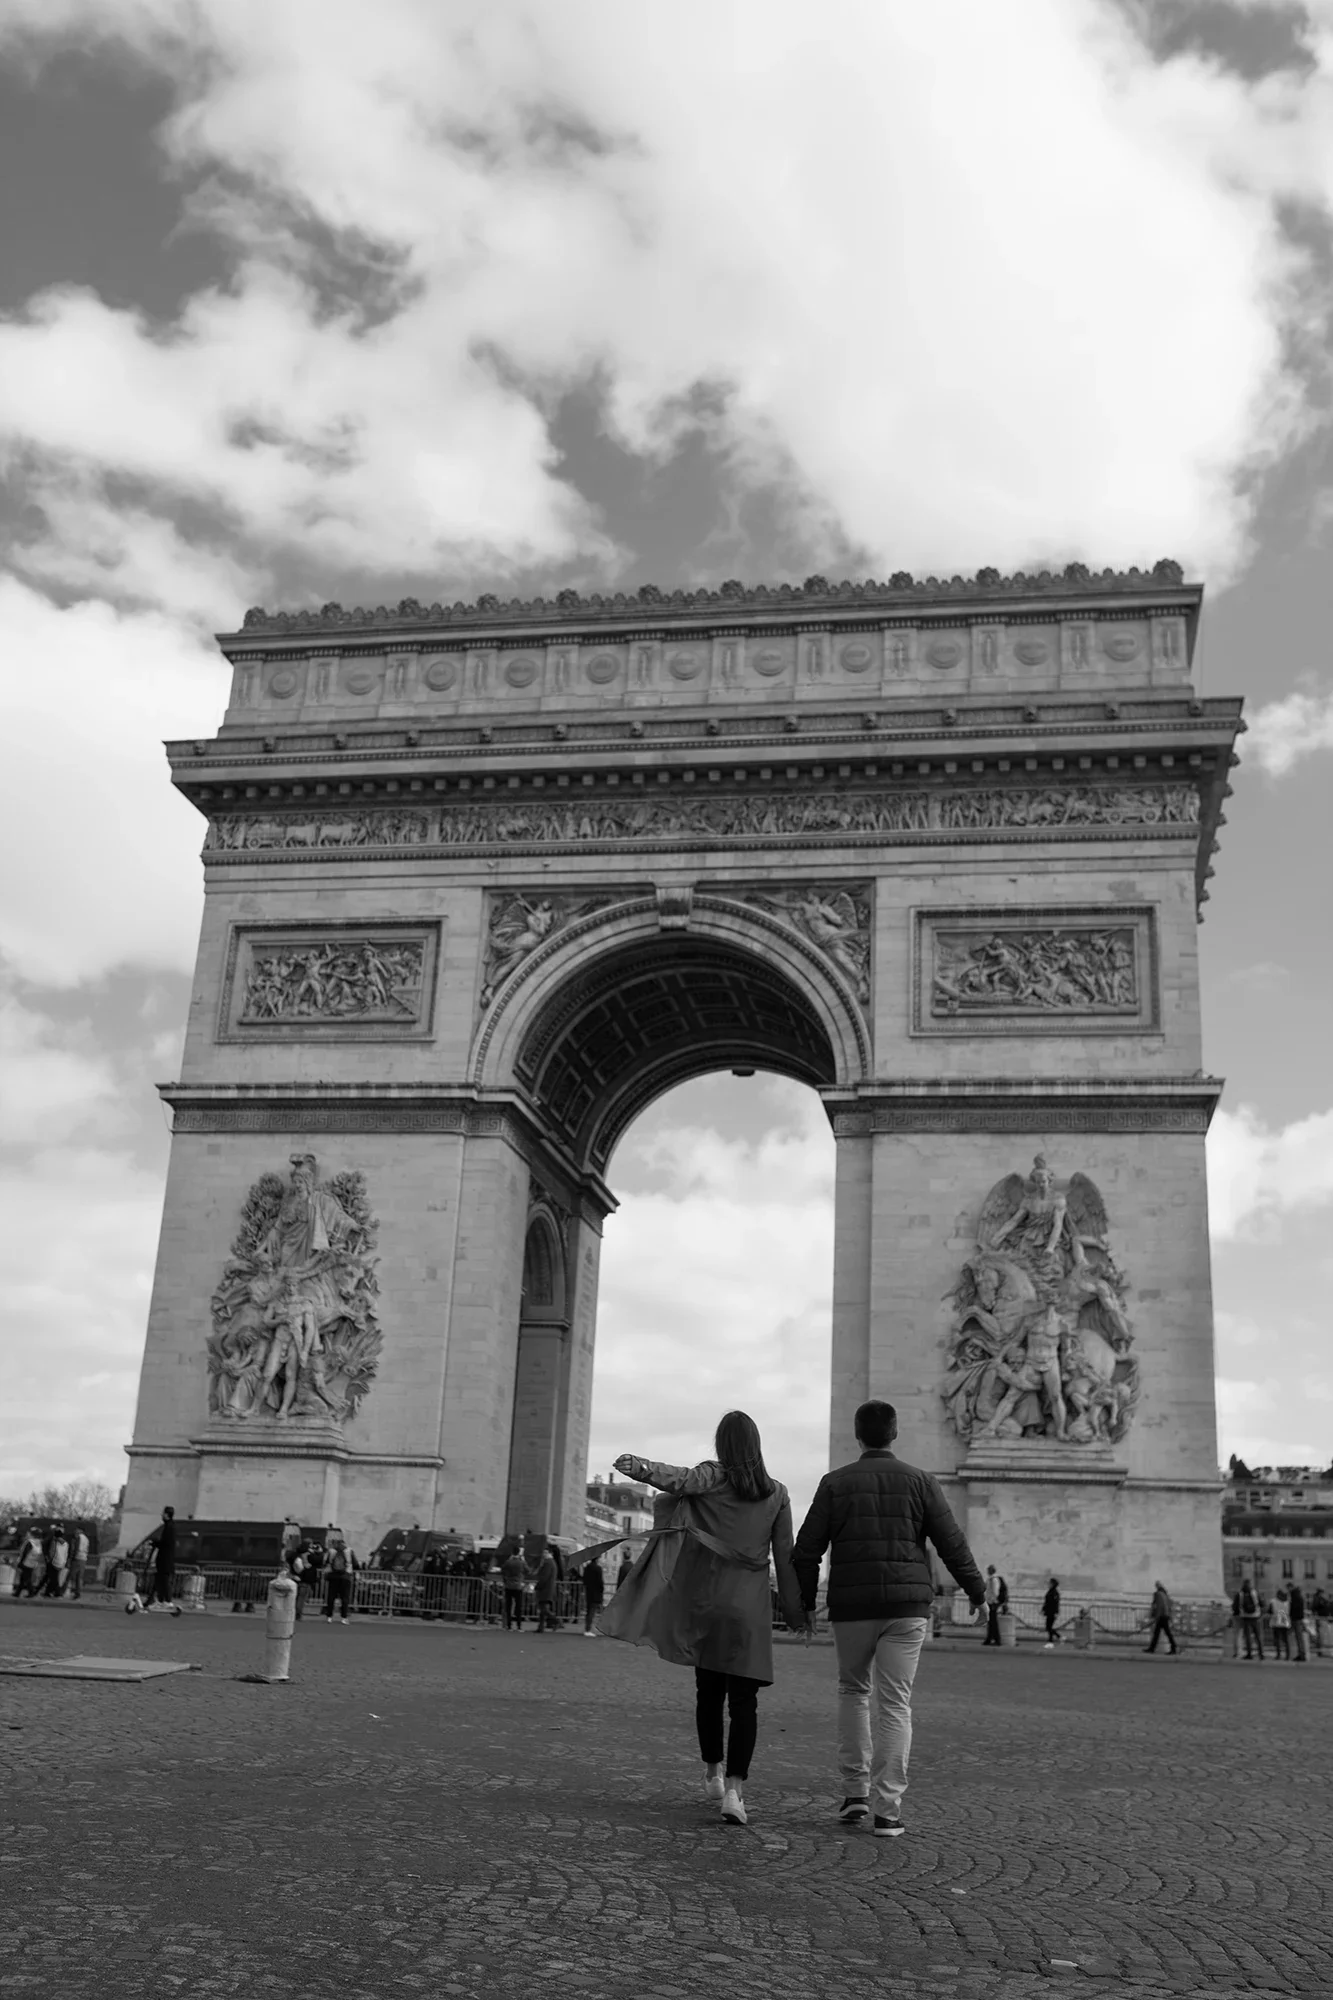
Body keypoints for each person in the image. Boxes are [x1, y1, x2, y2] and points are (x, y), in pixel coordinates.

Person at [793, 1398, 986, 1839]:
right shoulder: (921, 1482)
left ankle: (855, 1793)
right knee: (895, 1704)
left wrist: (803, 1604)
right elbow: (951, 1543)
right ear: (895, 1434)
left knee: (853, 1691)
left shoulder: (834, 1483)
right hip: (906, 1608)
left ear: (857, 1436)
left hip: (852, 1607)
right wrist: (978, 1592)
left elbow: (806, 1550)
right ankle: (889, 1810)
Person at [601, 1411, 804, 1828]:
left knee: (708, 1692)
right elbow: (786, 1558)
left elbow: (678, 1479)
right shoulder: (777, 1493)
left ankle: (712, 1770)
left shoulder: (711, 1477)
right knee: (745, 1702)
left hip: (707, 1600)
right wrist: (798, 1609)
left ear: (722, 1443)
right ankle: (735, 1789)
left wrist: (640, 1467)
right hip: (749, 1608)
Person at [143, 1508, 181, 1613]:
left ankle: (167, 1601)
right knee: (159, 1580)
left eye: (163, 1513)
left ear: (167, 1514)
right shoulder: (170, 1526)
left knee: (164, 1580)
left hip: (165, 1559)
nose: (161, 1515)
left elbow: (166, 1543)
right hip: (165, 1559)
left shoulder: (169, 1527)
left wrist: (155, 1542)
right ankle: (158, 1600)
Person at [323, 1533, 357, 1623]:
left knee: (331, 1597)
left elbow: (326, 1562)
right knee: (345, 1597)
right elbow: (356, 1564)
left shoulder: (331, 1551)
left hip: (333, 1576)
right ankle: (344, 1617)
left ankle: (329, 1616)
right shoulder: (349, 1551)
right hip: (346, 1576)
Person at [1145, 1580, 1177, 1655]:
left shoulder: (1158, 1594)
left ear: (1157, 1587)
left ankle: (1173, 1647)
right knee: (1161, 1633)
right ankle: (1153, 1648)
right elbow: (1169, 1605)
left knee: (1162, 1633)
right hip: (1165, 1616)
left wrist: (1156, 1616)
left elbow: (1158, 1606)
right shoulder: (1165, 1594)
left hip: (1161, 1616)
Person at [1235, 1576, 1263, 1659]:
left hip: (1245, 1617)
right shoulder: (1255, 1592)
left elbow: (1236, 1606)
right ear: (1250, 1584)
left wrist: (1237, 1614)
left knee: (1247, 1636)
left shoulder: (1240, 1594)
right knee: (1258, 1636)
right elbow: (1262, 1603)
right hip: (1255, 1616)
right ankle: (1261, 1653)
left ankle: (1249, 1654)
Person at [501, 1547, 529, 1629]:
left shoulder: (508, 1562)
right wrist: (524, 1560)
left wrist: (505, 1581)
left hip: (509, 1585)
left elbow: (503, 1570)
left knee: (508, 1606)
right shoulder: (521, 1562)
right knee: (518, 1606)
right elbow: (528, 1570)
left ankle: (509, 1625)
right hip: (518, 1586)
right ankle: (519, 1625)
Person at [534, 1546, 560, 1633]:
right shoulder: (551, 1562)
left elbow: (544, 1577)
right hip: (548, 1588)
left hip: (546, 1589)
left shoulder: (548, 1563)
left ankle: (556, 1621)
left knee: (544, 1609)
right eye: (543, 1553)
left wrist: (538, 1585)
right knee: (542, 1609)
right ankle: (541, 1627)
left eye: (546, 1553)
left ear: (550, 1553)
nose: (544, 1554)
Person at [981, 1565, 1008, 1646]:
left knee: (993, 1622)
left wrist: (992, 1601)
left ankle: (996, 1639)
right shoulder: (991, 1579)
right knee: (991, 1622)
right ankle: (990, 1638)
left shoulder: (994, 1580)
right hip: (991, 1603)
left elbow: (995, 1592)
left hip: (992, 1603)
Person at [41, 1524, 69, 1598]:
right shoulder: (65, 1543)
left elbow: (52, 1552)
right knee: (54, 1578)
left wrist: (48, 1559)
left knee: (54, 1579)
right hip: (61, 1562)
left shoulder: (54, 1541)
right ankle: (48, 1592)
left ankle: (57, 1593)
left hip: (54, 1562)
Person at [14, 1527, 43, 1598]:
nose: (27, 1534)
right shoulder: (38, 1542)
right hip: (33, 1563)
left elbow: (24, 1553)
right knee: (23, 1578)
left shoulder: (29, 1542)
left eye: (28, 1533)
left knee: (26, 1578)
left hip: (26, 1562)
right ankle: (17, 1592)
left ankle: (31, 1592)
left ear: (31, 1534)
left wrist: (20, 1563)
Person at [581, 1558, 605, 1637]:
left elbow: (584, 1580)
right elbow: (600, 1582)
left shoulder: (587, 1568)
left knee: (589, 1610)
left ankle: (587, 1628)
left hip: (589, 1592)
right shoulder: (598, 1568)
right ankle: (588, 1629)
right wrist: (601, 1590)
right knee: (592, 1611)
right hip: (596, 1592)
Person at [1268, 1587, 1291, 1661]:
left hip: (1276, 1622)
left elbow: (1270, 1611)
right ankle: (1288, 1655)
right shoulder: (1288, 1602)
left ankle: (1278, 1655)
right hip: (1285, 1622)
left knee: (1277, 1639)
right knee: (1286, 1640)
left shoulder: (1273, 1601)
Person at [1288, 1581, 1308, 1663]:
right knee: (1299, 1638)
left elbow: (1294, 1608)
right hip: (1299, 1618)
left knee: (1298, 1637)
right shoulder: (1299, 1595)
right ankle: (1301, 1653)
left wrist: (1291, 1616)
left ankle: (1301, 1654)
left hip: (1296, 1619)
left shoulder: (1294, 1595)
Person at [68, 1527, 89, 1601]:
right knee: (79, 1577)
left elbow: (76, 1548)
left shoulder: (79, 1537)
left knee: (70, 1575)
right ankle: (77, 1594)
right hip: (83, 1558)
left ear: (80, 1530)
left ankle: (63, 1592)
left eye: (76, 1530)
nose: (75, 1532)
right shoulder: (86, 1538)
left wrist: (72, 1558)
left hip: (77, 1558)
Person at [1042, 1577, 1061, 1648]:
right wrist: (1043, 1609)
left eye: (1049, 1583)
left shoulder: (1055, 1593)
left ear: (1052, 1584)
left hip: (1052, 1612)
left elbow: (1055, 1603)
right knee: (1048, 1627)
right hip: (1048, 1611)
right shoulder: (1050, 1591)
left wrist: (1056, 1612)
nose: (1048, 1584)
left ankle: (1050, 1641)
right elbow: (1046, 1602)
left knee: (1049, 1627)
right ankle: (1058, 1637)